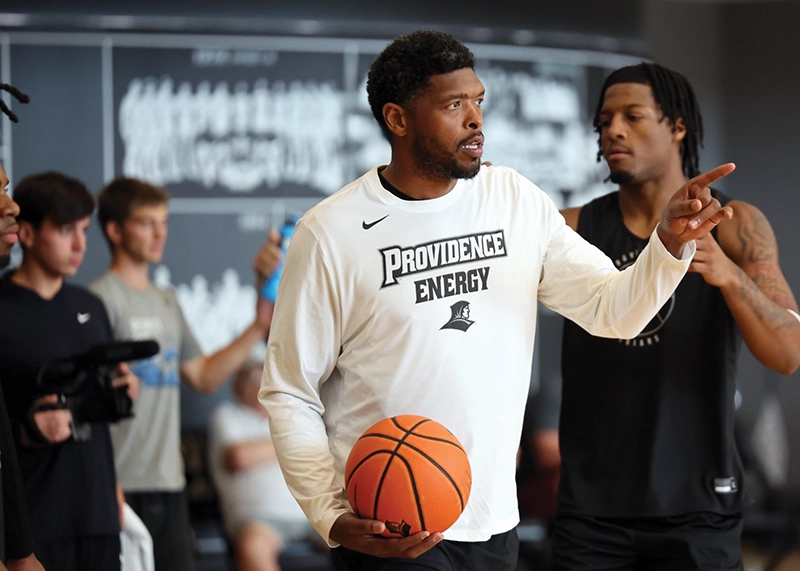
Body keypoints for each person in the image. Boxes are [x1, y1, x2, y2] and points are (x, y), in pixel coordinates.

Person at [258, 30, 735, 571]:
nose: (475, 119)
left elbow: (611, 309)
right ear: (397, 118)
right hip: (389, 526)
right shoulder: (330, 233)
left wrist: (666, 245)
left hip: (492, 521)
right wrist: (330, 514)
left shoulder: (514, 199)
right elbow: (290, 392)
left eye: (478, 101)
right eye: (453, 105)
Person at [550, 62, 800, 570]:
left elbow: (789, 354)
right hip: (591, 514)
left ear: (678, 126)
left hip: (698, 508)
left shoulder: (735, 225)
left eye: (633, 115)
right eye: (604, 119)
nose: (613, 129)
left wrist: (728, 274)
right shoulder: (571, 229)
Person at [89, 177, 280, 571]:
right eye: (146, 223)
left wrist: (259, 325)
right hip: (120, 484)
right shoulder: (98, 300)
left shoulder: (166, 300)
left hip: (169, 484)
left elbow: (205, 376)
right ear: (114, 229)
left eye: (164, 222)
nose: (160, 233)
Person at [0, 171, 136, 570]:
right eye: (64, 230)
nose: (80, 245)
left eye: (82, 230)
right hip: (33, 518)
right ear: (25, 234)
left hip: (98, 514)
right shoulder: (2, 307)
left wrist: (120, 391)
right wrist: (29, 428)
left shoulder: (92, 306)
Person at [209, 359, 320, 571]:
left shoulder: (292, 417)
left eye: (265, 375)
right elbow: (240, 457)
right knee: (253, 547)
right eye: (253, 377)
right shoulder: (227, 416)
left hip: (311, 513)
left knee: (357, 541)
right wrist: (296, 443)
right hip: (258, 517)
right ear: (236, 386)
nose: (260, 382)